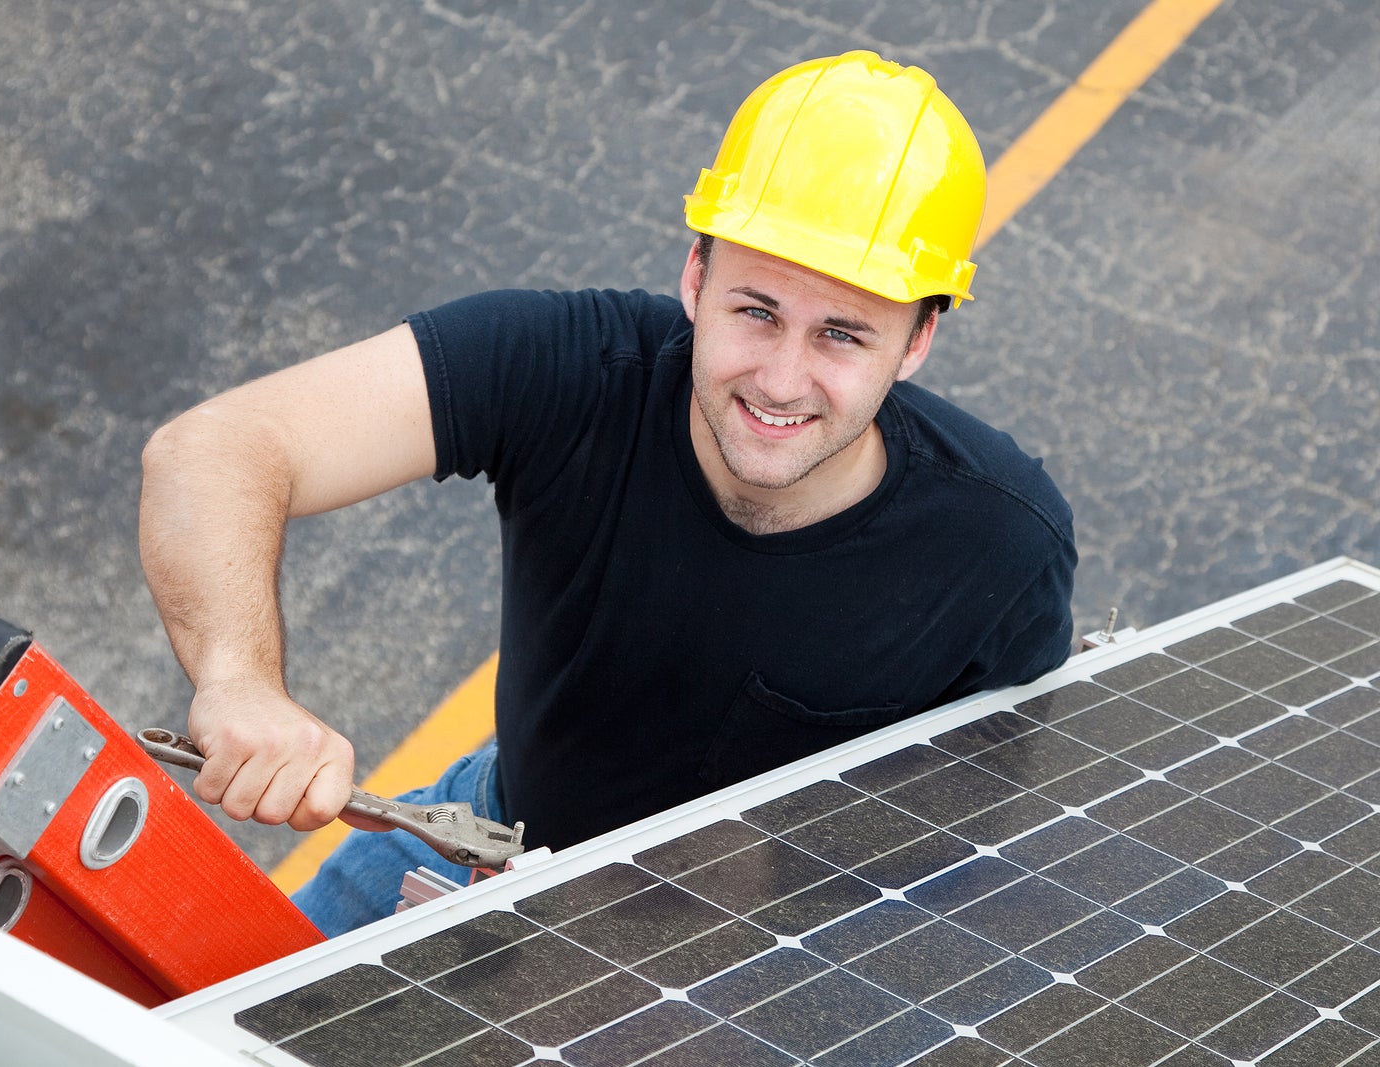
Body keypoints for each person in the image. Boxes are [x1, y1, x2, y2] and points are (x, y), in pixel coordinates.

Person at [138, 50, 1077, 936]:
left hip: (757, 965)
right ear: (696, 278)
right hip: (492, 840)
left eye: (843, 334)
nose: (782, 380)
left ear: (917, 342)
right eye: (757, 311)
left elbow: (971, 849)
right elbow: (215, 449)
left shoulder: (1001, 549)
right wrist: (239, 680)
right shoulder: (571, 370)